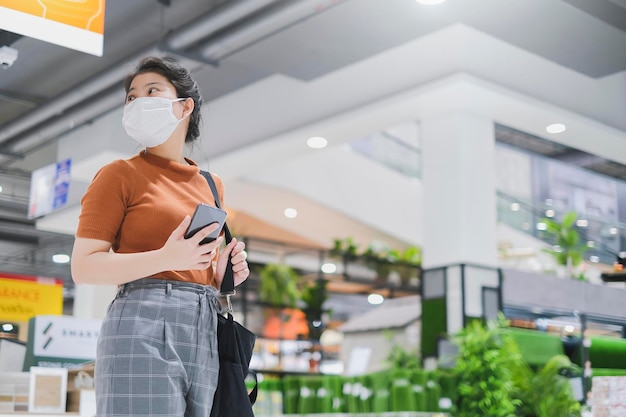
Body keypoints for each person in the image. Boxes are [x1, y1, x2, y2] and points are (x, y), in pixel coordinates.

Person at [71, 56, 250, 417]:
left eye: (152, 91)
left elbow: (196, 262)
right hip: (142, 319)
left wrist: (219, 278)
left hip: (203, 321)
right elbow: (84, 267)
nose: (138, 102)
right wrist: (168, 259)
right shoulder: (118, 175)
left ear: (185, 106)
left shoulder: (211, 185)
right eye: (132, 96)